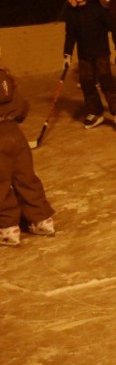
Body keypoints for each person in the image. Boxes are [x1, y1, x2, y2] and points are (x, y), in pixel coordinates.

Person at [0, 48, 56, 246]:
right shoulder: (6, 78)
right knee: (25, 176)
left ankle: (7, 227)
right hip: (16, 134)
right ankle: (40, 218)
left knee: (1, 182)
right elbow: (22, 108)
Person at [62, 0, 116, 131]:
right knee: (87, 84)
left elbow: (115, 27)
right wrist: (67, 54)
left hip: (101, 53)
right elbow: (70, 35)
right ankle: (95, 112)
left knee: (106, 83)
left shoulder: (97, 10)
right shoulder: (71, 14)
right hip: (84, 55)